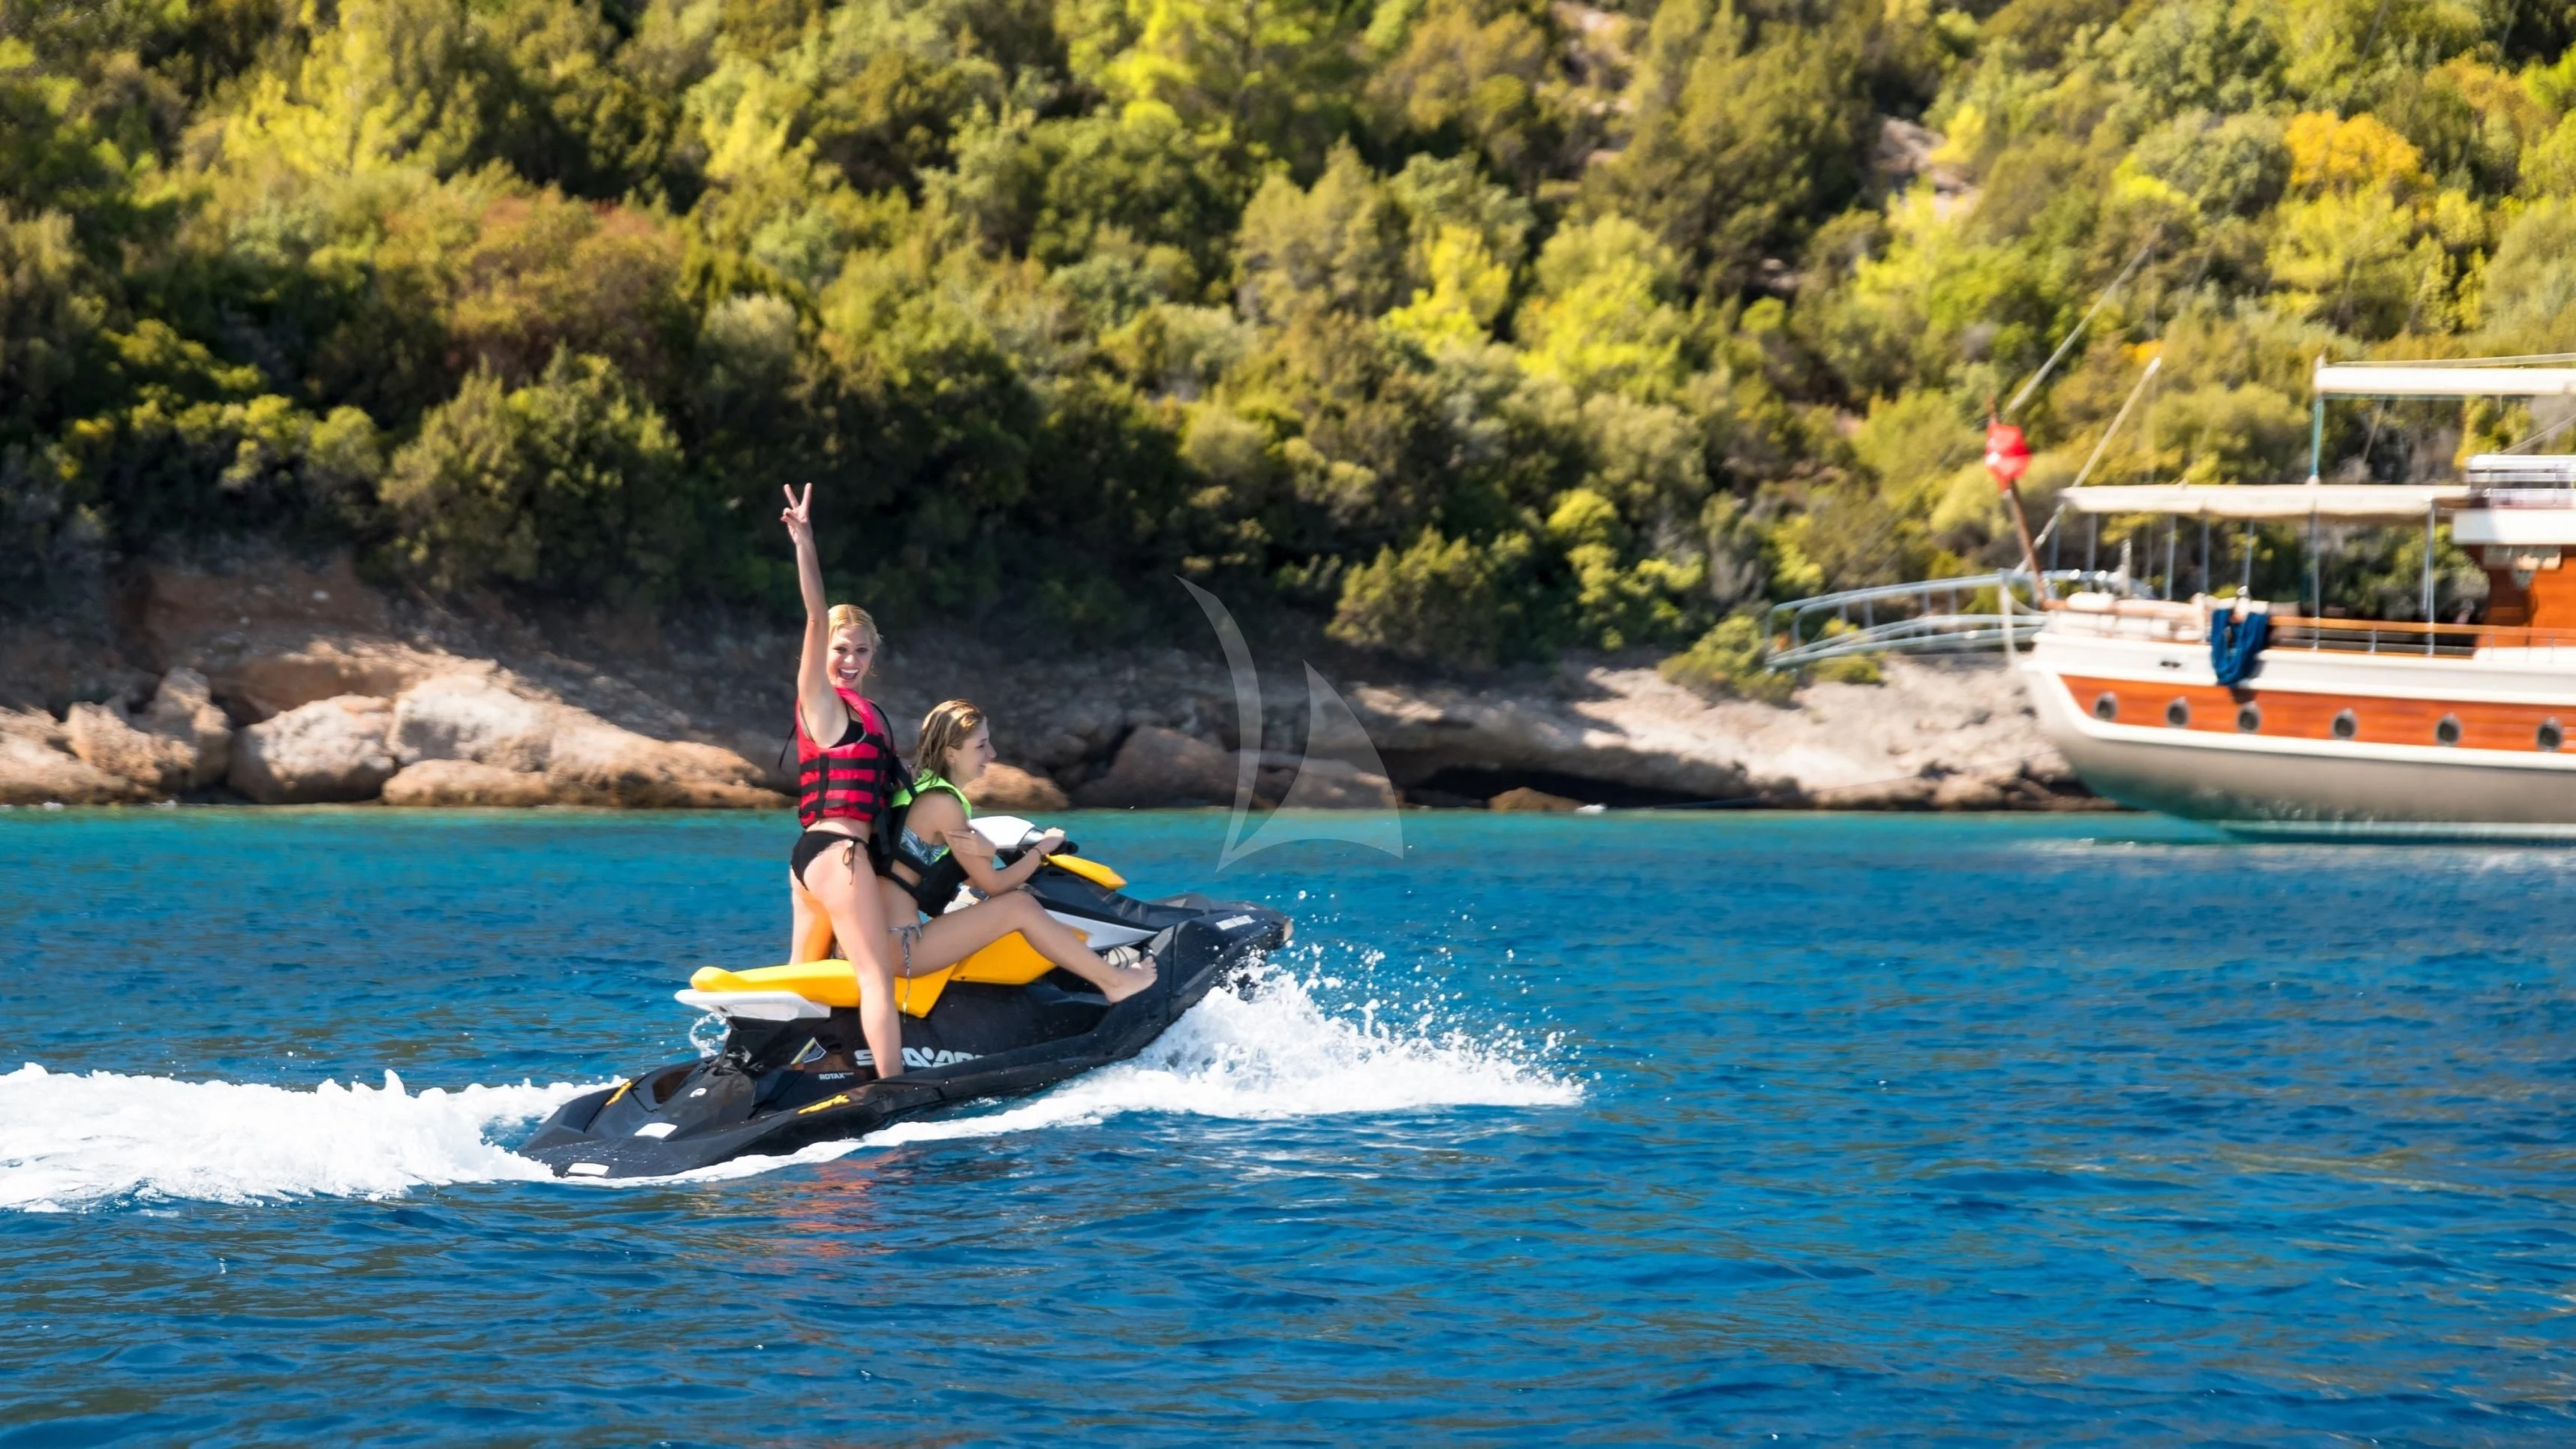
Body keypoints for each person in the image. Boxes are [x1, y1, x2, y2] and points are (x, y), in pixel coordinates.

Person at [880, 699, 1157, 1003]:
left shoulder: (915, 789)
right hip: (904, 946)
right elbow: (995, 885)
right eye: (981, 745)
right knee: (1020, 906)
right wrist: (1041, 850)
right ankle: (1116, 982)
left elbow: (949, 870)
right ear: (951, 754)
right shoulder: (944, 804)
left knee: (980, 899)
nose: (992, 754)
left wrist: (985, 850)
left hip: (882, 940)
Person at [778, 482, 917, 1079]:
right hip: (838, 854)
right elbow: (813, 614)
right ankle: (894, 1094)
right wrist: (805, 542)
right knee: (875, 976)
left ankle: (762, 1073)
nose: (850, 659)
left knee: (799, 980)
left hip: (812, 861)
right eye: (840, 648)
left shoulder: (872, 720)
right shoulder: (823, 704)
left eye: (861, 650)